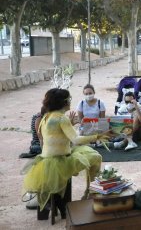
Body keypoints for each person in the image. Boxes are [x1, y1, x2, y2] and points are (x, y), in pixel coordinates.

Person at [22, 88, 112, 220]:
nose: (70, 102)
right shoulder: (61, 118)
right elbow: (75, 139)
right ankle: (91, 192)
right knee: (96, 157)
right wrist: (97, 136)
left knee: (89, 153)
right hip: (60, 160)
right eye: (69, 99)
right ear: (63, 102)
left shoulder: (46, 116)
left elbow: (56, 138)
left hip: (46, 159)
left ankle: (88, 192)